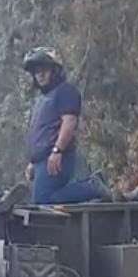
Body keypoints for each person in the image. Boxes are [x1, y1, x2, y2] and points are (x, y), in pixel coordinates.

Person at [22, 46, 112, 205]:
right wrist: (33, 162)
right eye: (36, 71)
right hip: (42, 160)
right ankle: (87, 188)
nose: (40, 75)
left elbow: (69, 122)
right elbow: (40, 132)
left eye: (44, 70)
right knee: (43, 202)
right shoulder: (42, 99)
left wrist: (57, 150)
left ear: (55, 70)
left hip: (58, 156)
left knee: (43, 201)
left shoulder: (65, 91)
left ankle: (91, 187)